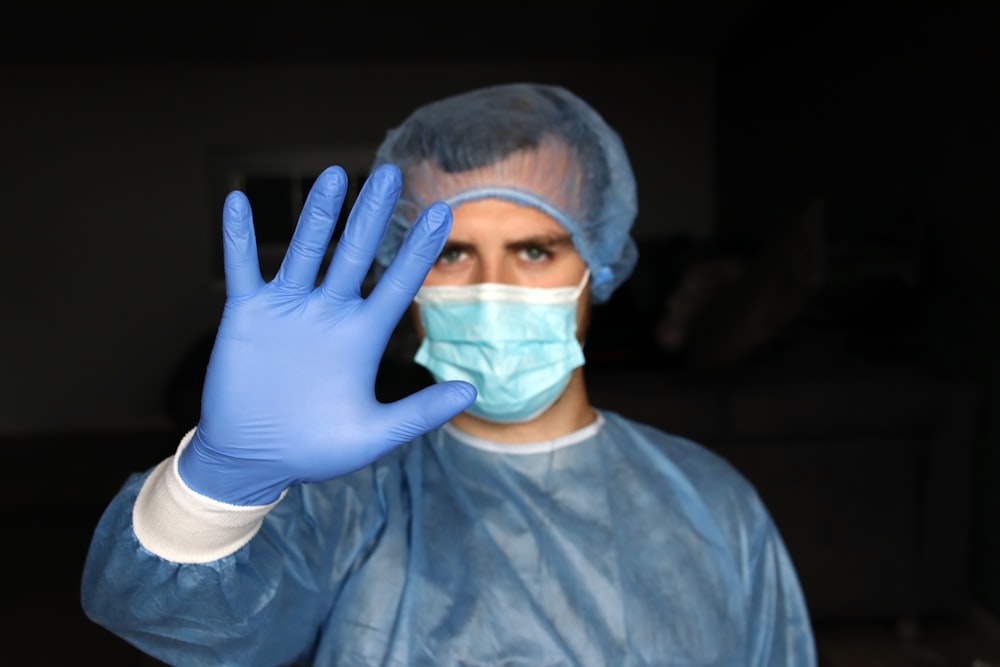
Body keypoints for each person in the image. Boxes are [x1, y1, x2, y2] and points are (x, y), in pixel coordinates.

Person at [81, 82, 817, 666]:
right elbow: (171, 615)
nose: (490, 288)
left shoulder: (713, 506)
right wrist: (217, 485)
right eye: (450, 253)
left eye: (534, 250)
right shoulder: (348, 499)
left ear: (596, 266)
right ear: (403, 281)